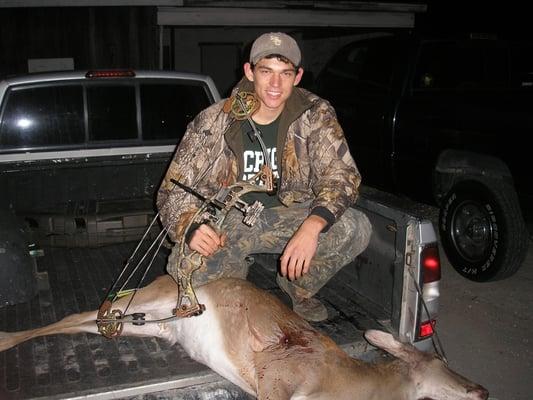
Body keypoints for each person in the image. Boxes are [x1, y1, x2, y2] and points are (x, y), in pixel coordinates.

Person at [157, 32, 371, 322]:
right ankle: (234, 275)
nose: (275, 84)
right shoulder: (214, 120)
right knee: (188, 275)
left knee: (354, 228)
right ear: (249, 71)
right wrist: (191, 227)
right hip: (227, 223)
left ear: (298, 77)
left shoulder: (315, 114)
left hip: (289, 217)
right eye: (266, 71)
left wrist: (313, 225)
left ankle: (296, 288)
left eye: (285, 74)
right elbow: (173, 191)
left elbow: (342, 175)